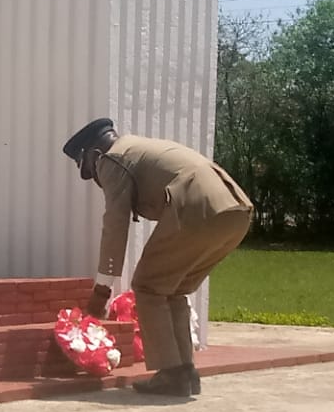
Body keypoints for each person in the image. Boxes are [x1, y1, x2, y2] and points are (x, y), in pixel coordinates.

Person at [62, 118, 253, 397]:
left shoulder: (112, 159)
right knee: (173, 290)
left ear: (92, 154)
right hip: (235, 210)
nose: (95, 177)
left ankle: (171, 374)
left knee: (148, 287)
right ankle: (185, 372)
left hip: (199, 208)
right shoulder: (134, 149)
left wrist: (101, 292)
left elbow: (115, 225)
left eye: (89, 170)